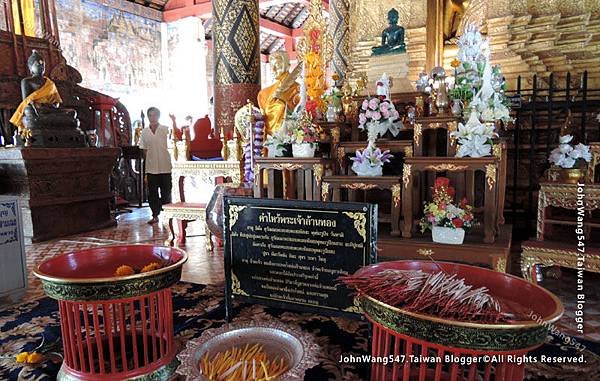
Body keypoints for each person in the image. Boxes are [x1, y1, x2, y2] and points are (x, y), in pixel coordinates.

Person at [139, 107, 172, 224]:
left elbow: (173, 143)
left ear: (158, 116)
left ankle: (167, 213)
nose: (152, 118)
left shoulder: (165, 130)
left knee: (166, 191)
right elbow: (144, 149)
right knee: (152, 193)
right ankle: (155, 215)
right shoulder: (144, 132)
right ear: (148, 117)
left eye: (154, 115)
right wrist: (148, 162)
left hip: (165, 166)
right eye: (150, 115)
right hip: (151, 168)